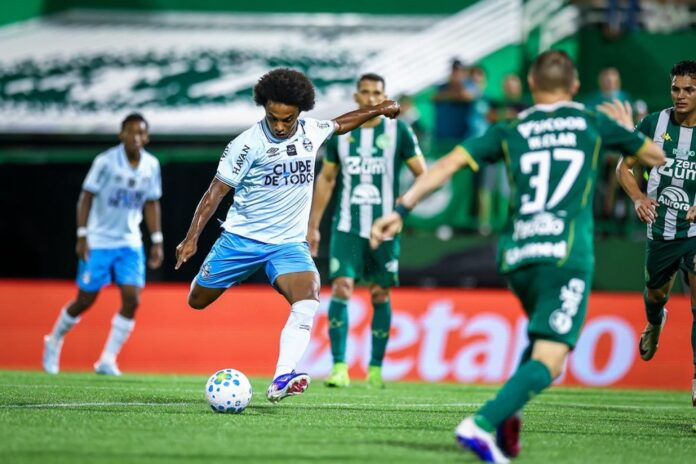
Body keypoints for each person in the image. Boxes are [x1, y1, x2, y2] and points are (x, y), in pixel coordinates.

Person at [371, 50, 664, 463]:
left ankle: (510, 419)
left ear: (531, 84)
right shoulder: (591, 121)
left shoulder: (511, 128)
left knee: (541, 343)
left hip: (518, 256)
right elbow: (655, 158)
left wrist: (401, 209)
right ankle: (481, 423)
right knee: (552, 359)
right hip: (564, 256)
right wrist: (625, 131)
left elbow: (449, 164)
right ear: (575, 85)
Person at [174, 68, 400, 403]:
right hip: (240, 240)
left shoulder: (311, 131)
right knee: (197, 301)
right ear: (264, 109)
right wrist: (192, 237)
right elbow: (214, 193)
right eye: (273, 118)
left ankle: (282, 376)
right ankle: (215, 276)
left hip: (287, 244)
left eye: (288, 119)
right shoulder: (246, 144)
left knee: (308, 297)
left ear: (300, 112)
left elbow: (342, 123)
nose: (280, 126)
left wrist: (378, 109)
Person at [306, 73, 427, 389]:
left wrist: (402, 209)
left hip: (384, 230)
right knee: (342, 288)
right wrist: (313, 226)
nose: (372, 98)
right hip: (347, 227)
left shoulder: (399, 131)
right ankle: (339, 367)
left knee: (379, 293)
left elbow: (424, 175)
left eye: (377, 93)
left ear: (384, 96)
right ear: (356, 97)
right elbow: (327, 179)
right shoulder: (342, 133)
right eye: (366, 92)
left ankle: (375, 368)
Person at [42, 113, 163, 376]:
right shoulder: (105, 161)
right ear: (121, 134)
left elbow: (152, 202)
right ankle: (54, 340)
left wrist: (157, 240)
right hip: (99, 240)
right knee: (85, 299)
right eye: (130, 132)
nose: (135, 137)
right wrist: (82, 234)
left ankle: (107, 359)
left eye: (141, 132)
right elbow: (86, 197)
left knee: (132, 298)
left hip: (130, 242)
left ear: (147, 137)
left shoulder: (152, 165)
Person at [614, 60, 696, 406]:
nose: (680, 96)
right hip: (661, 230)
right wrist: (638, 197)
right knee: (656, 295)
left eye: (689, 90)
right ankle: (655, 321)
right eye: (676, 89)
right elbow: (624, 168)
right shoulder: (653, 124)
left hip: (694, 231)